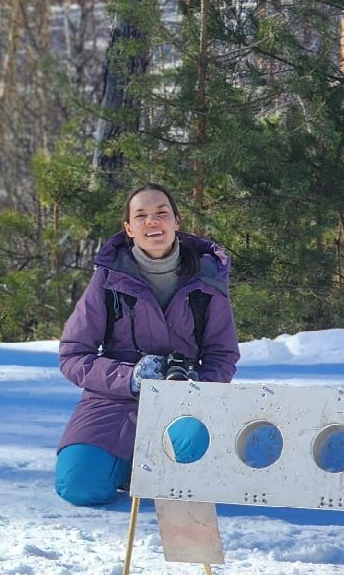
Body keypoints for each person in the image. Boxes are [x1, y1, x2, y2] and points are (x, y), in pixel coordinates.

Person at [53, 182, 240, 506]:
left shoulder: (207, 280)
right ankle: (126, 465)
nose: (152, 222)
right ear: (129, 229)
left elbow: (222, 355)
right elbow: (73, 354)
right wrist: (131, 378)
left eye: (161, 213)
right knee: (79, 487)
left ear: (176, 222)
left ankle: (146, 464)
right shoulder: (108, 279)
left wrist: (197, 386)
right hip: (112, 399)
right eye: (141, 216)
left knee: (184, 482)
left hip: (182, 402)